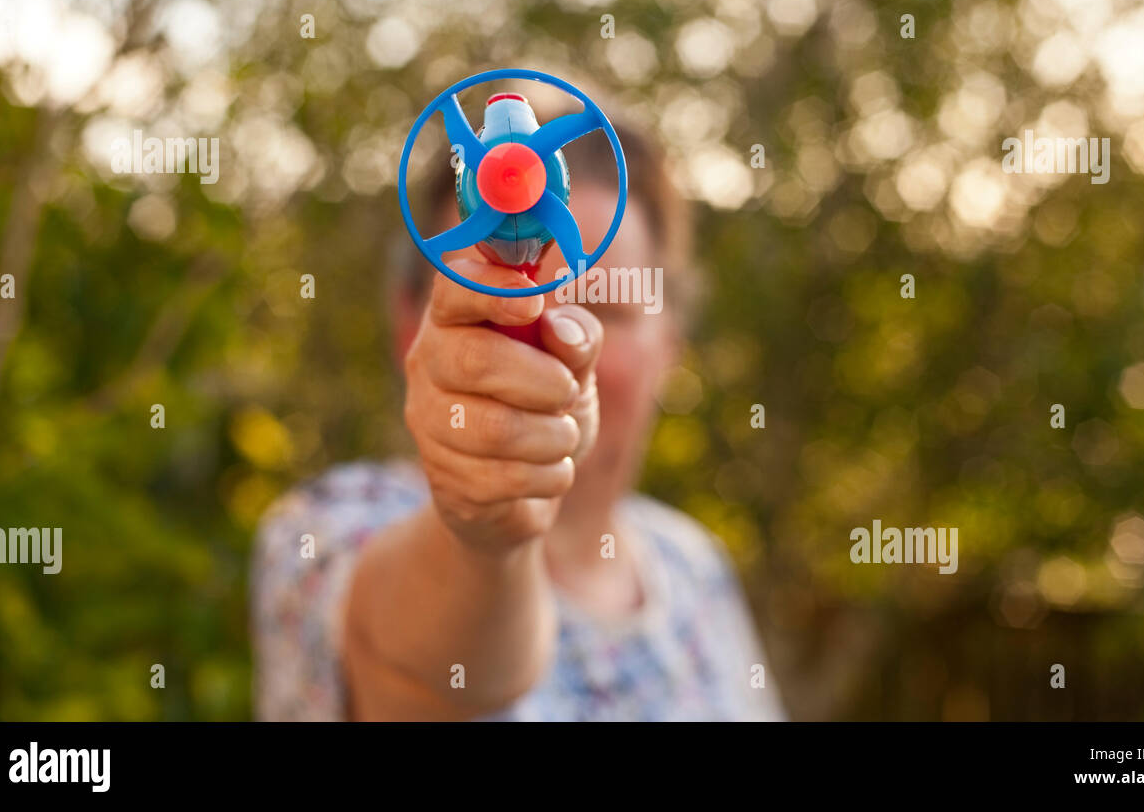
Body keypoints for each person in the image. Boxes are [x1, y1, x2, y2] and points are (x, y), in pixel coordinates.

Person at [251, 100, 784, 720]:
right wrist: (486, 535)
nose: (544, 331)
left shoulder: (695, 567)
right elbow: (414, 679)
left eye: (605, 307)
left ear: (670, 342)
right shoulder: (325, 531)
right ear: (409, 326)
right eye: (488, 292)